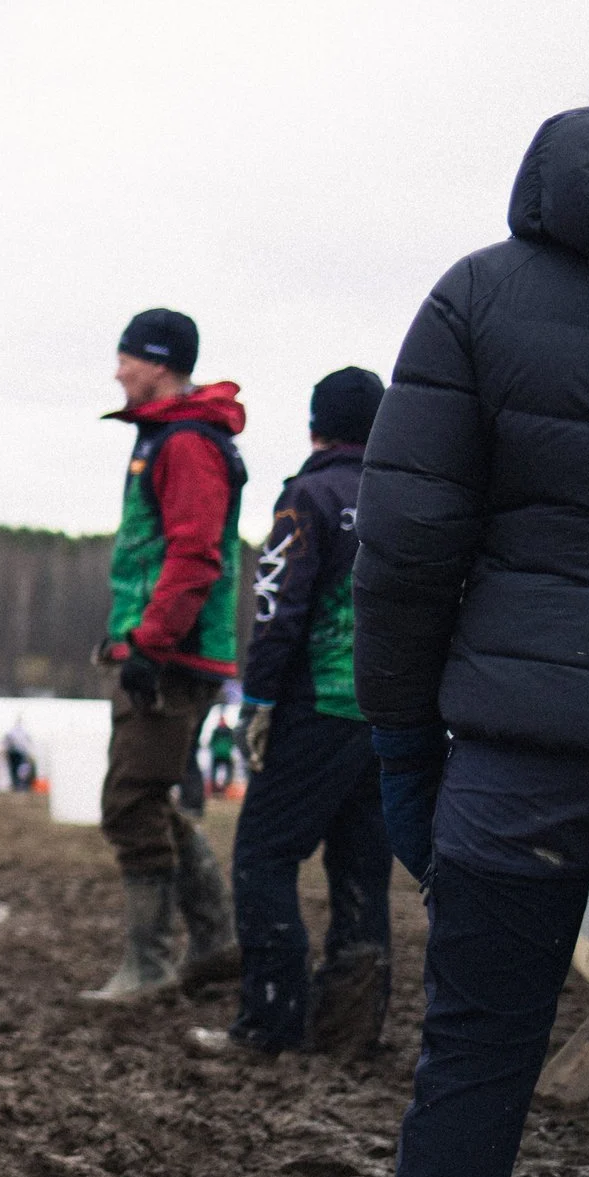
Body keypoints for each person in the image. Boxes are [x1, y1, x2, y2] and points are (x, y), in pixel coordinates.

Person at [351, 13, 589, 1177]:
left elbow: (410, 542)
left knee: (478, 1053)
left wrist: (399, 736)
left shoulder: (480, 293)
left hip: (519, 743)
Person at [193, 367, 391, 1061]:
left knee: (263, 857)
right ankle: (352, 1027)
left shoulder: (308, 496)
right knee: (363, 866)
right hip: (392, 717)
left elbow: (279, 609)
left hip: (317, 705)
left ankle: (270, 1022)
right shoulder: (410, 499)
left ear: (315, 425)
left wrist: (261, 700)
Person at [79, 308, 247, 1004]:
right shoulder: (170, 438)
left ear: (160, 362)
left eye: (128, 357)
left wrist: (149, 642)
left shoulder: (185, 444)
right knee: (147, 796)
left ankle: (153, 960)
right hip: (165, 649)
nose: (117, 370)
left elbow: (194, 553)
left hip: (171, 655)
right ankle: (213, 940)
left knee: (128, 801)